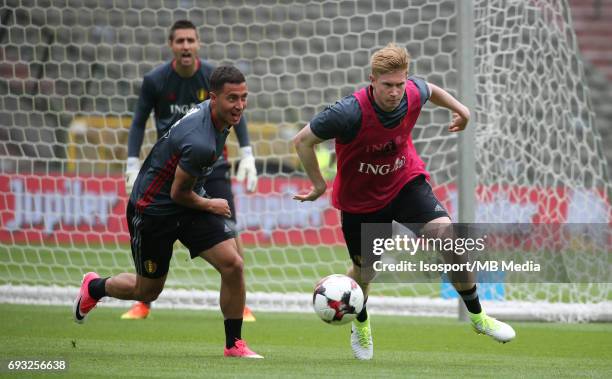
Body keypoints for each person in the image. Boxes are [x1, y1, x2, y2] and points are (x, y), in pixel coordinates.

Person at [293, 43, 515, 360]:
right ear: (372, 80)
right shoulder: (347, 113)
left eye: (400, 84)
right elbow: (302, 140)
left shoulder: (411, 91)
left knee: (450, 240)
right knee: (365, 272)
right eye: (388, 86)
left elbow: (429, 89)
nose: (396, 92)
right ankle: (362, 325)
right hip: (362, 201)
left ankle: (479, 318)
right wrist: (317, 183)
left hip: (404, 182)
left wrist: (462, 109)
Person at [74, 66, 263, 358]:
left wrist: (246, 153)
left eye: (244, 97)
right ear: (213, 99)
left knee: (233, 264)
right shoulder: (200, 141)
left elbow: (185, 191)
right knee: (147, 291)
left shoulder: (218, 116)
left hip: (187, 204)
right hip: (154, 211)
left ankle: (233, 344)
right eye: (232, 99)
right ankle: (95, 287)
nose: (239, 106)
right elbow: (178, 193)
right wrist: (211, 203)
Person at [122, 19, 257, 321]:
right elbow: (138, 121)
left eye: (190, 40)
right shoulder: (156, 80)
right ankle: (144, 299)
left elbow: (237, 114)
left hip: (214, 168)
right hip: (169, 173)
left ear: (197, 44)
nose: (185, 46)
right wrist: (132, 161)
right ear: (171, 45)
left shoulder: (215, 77)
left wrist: (246, 152)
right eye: (180, 41)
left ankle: (239, 302)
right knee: (149, 283)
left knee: (231, 239)